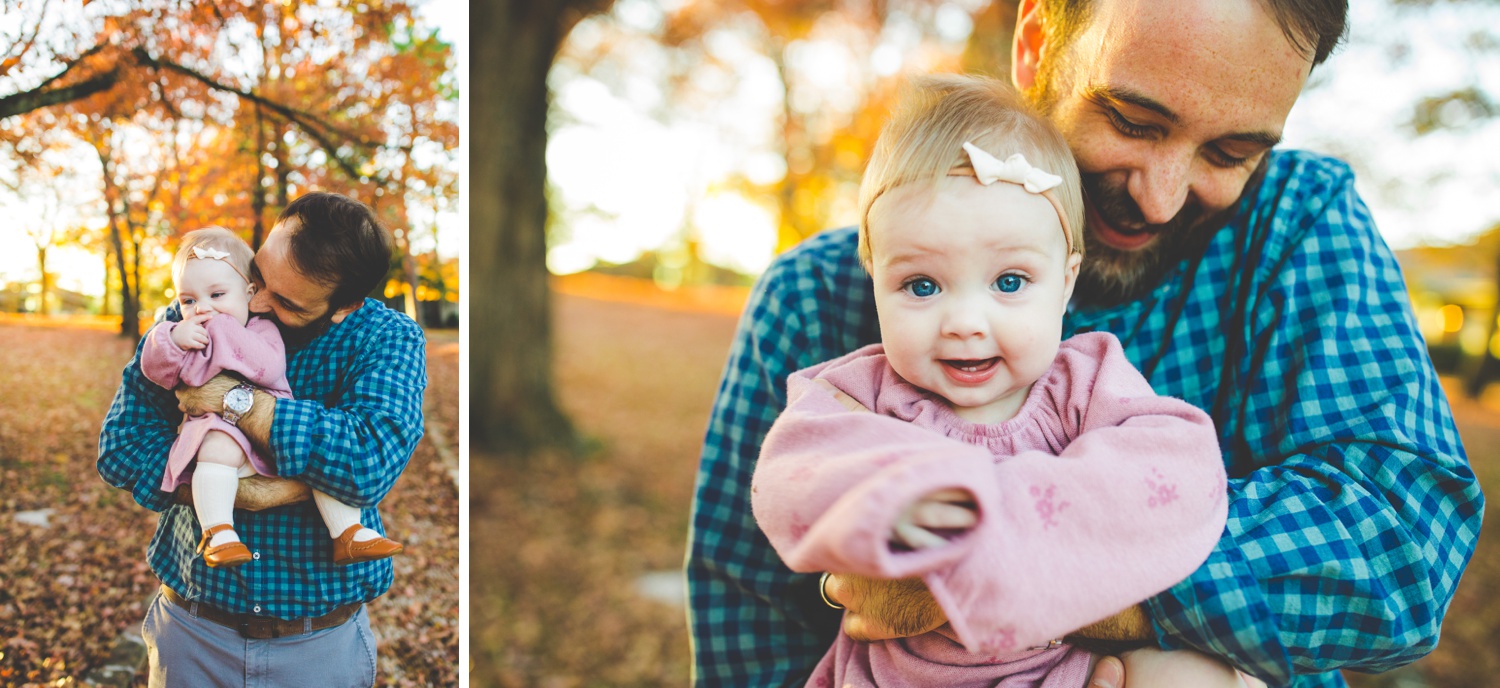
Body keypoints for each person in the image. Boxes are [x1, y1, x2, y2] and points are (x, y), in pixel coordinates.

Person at [686, 1, 1484, 686]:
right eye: (1134, 121)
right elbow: (749, 630)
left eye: (1231, 152)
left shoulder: (1299, 225)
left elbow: (1400, 540)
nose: (1162, 198)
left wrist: (1002, 571)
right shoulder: (817, 304)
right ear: (1038, 45)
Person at [750, 75, 1233, 688]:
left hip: (1071, 670)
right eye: (921, 286)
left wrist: (1006, 521)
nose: (965, 324)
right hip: (901, 679)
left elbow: (1178, 464)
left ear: (1065, 282)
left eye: (1009, 282)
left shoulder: (1086, 380)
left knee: (1193, 677)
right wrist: (907, 506)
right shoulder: (857, 398)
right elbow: (791, 478)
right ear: (875, 283)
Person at [98, 192, 427, 687]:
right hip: (192, 632)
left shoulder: (387, 337)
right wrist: (219, 489)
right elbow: (121, 446)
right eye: (259, 278)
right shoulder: (196, 312)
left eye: (286, 301)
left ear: (344, 306)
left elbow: (368, 461)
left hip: (317, 646)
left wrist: (236, 400)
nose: (255, 301)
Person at [140, 226, 403, 570]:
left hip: (276, 431)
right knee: (216, 451)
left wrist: (223, 330)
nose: (202, 308)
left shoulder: (258, 328)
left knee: (318, 458)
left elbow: (266, 368)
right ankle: (218, 532)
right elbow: (154, 372)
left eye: (217, 295)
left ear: (245, 290)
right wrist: (173, 338)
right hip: (217, 432)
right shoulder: (180, 327)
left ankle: (349, 532)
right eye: (188, 300)